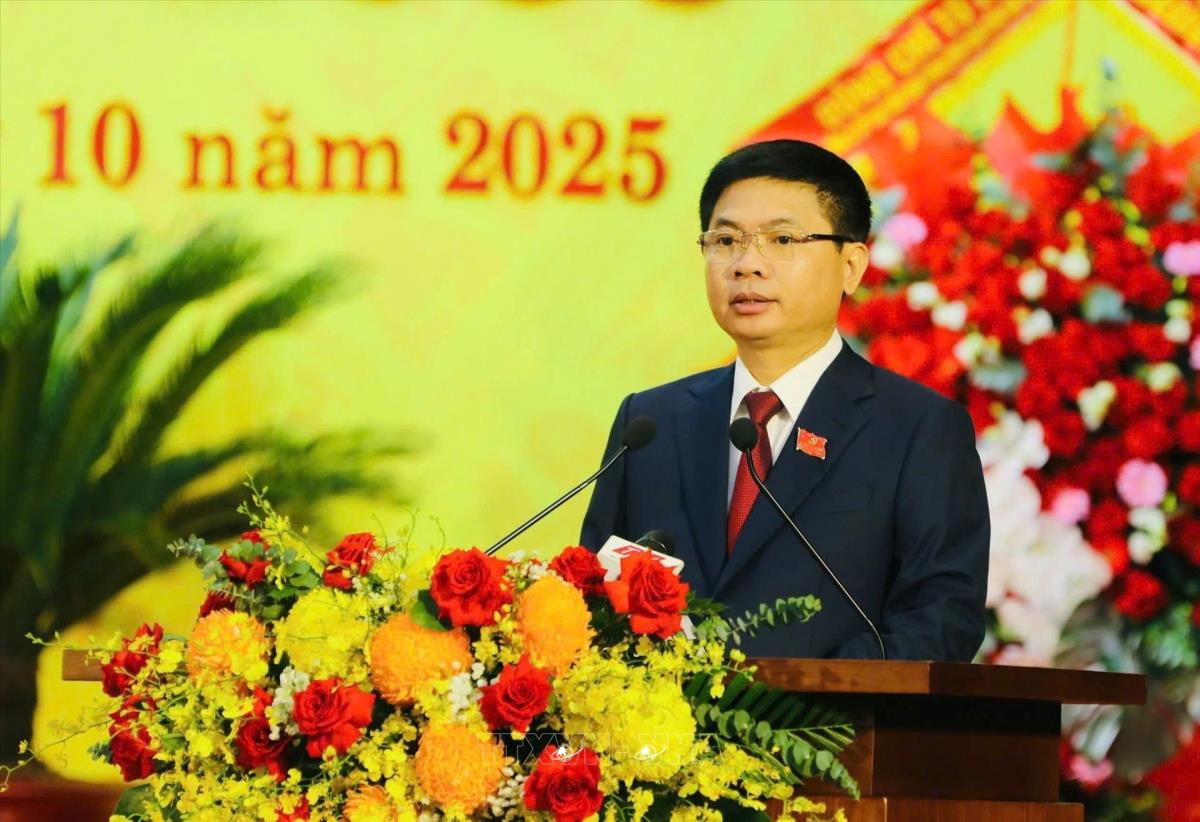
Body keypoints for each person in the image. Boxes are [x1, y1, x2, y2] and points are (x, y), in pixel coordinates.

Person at [580, 139, 989, 661]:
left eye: (782, 239)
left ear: (851, 266)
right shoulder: (649, 424)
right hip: (660, 715)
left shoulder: (917, 430)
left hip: (832, 715)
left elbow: (941, 622)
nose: (747, 264)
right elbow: (593, 600)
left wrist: (794, 699)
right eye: (725, 240)